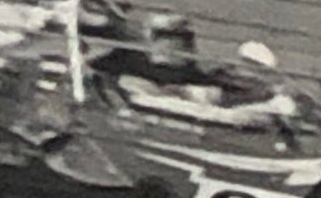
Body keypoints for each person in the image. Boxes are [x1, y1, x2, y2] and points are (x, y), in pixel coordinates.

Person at [92, 13, 298, 127]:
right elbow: (192, 105)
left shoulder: (198, 75)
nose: (179, 44)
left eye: (185, 38)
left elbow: (218, 92)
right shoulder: (131, 80)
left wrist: (267, 90)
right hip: (179, 132)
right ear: (151, 41)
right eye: (168, 39)